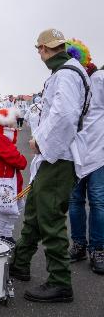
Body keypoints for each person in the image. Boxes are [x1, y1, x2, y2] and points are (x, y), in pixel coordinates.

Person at [10, 28, 90, 303]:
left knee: (50, 217)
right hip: (54, 157)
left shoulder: (66, 74)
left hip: (59, 157)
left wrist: (41, 142)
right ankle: (20, 264)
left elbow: (66, 115)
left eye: (41, 50)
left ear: (42, 50)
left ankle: (60, 281)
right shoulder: (67, 71)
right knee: (34, 212)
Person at [69, 56, 104, 274]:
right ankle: (80, 244)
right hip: (75, 151)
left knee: (98, 201)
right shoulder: (70, 80)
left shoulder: (100, 78)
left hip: (99, 152)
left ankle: (98, 248)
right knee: (75, 200)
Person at [0, 108, 27, 246]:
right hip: (6, 181)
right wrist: (20, 157)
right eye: (12, 123)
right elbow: (20, 162)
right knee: (7, 209)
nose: (15, 126)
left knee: (17, 205)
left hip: (7, 179)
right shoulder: (2, 140)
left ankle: (6, 233)